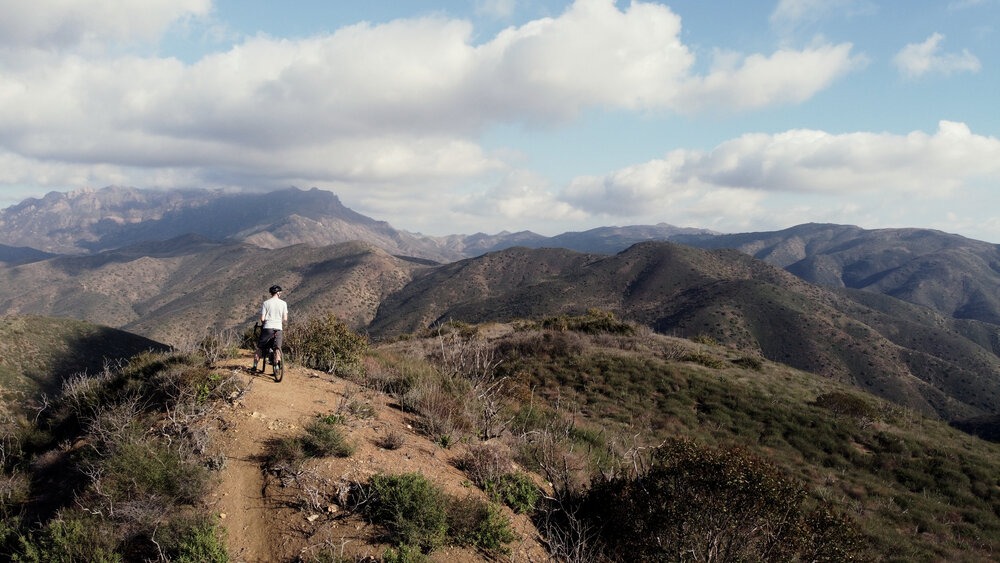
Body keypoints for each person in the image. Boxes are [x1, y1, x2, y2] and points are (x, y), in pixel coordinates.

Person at [253, 285, 288, 373]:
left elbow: (262, 318)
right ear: (278, 293)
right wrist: (279, 323)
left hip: (268, 327)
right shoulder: (283, 303)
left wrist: (264, 324)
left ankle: (254, 366)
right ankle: (276, 368)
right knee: (277, 348)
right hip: (278, 328)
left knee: (260, 347)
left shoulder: (266, 303)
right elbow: (285, 319)